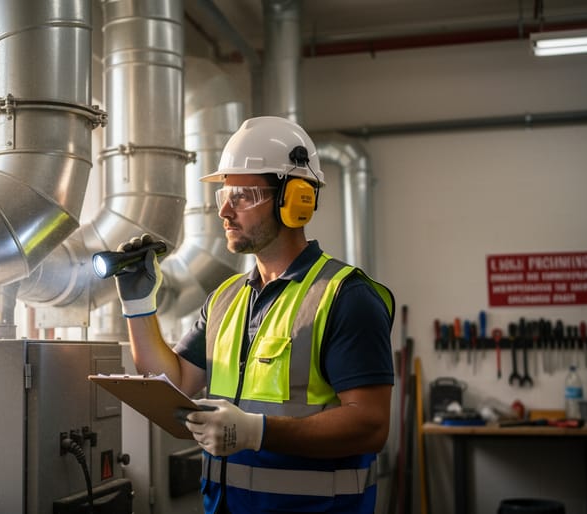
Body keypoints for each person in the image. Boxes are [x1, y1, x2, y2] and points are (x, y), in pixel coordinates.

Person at [113, 116, 395, 514]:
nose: (225, 211)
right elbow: (173, 382)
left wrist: (257, 432)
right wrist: (139, 305)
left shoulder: (346, 297)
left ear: (296, 199)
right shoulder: (225, 299)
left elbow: (370, 426)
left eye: (243, 195)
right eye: (223, 195)